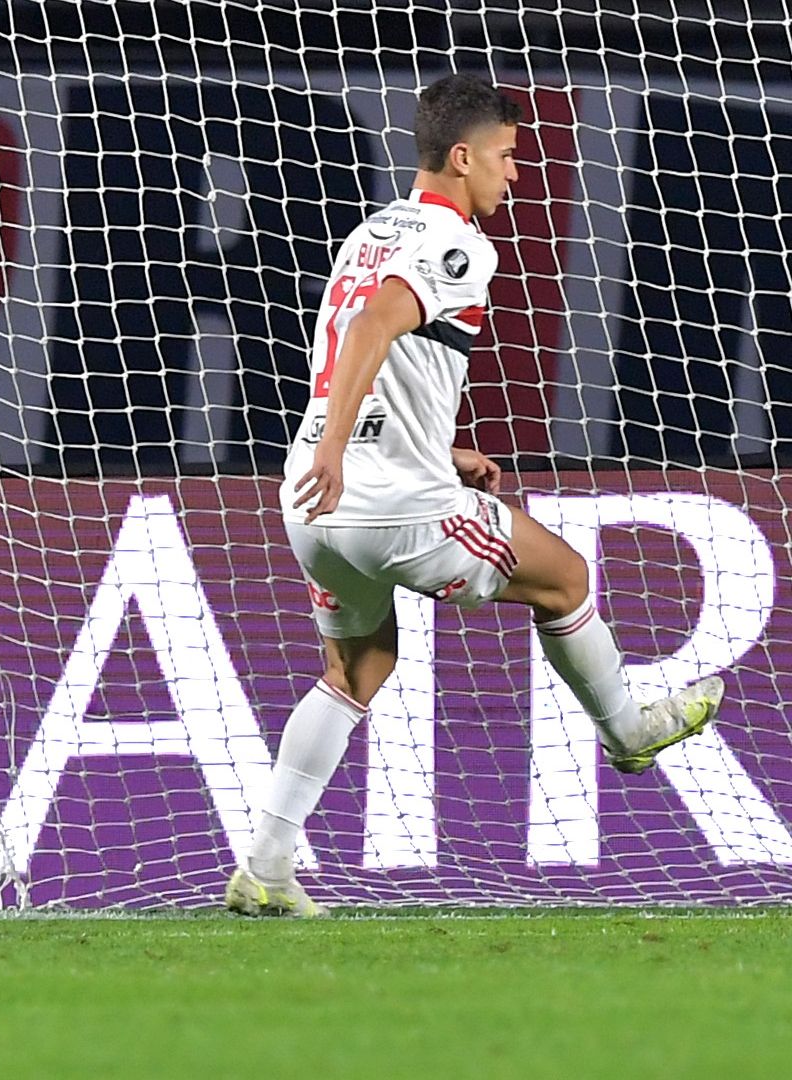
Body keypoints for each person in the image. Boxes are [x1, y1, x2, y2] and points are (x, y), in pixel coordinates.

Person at [227, 74, 724, 917]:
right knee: (564, 579)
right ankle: (630, 734)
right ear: (462, 158)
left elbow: (375, 353)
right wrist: (353, 452)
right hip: (385, 502)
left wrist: (434, 450)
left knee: (356, 667)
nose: (516, 175)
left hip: (312, 501)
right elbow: (375, 326)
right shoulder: (460, 243)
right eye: (505, 157)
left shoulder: (371, 232)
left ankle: (266, 872)